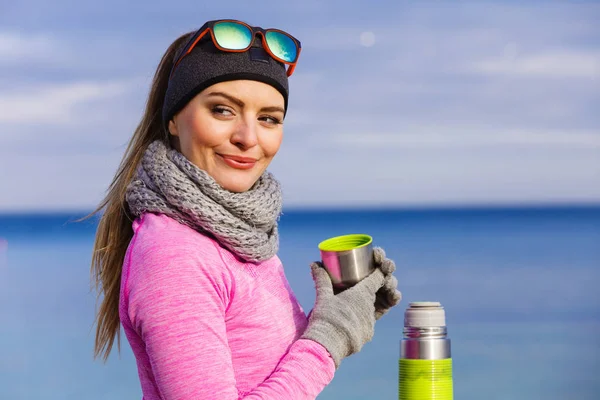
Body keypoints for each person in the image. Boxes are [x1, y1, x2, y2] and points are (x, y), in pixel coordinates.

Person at [90, 19, 402, 399]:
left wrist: (347, 314)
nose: (248, 138)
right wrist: (329, 338)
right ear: (173, 119)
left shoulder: (239, 237)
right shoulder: (174, 254)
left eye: (268, 118)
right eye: (222, 110)